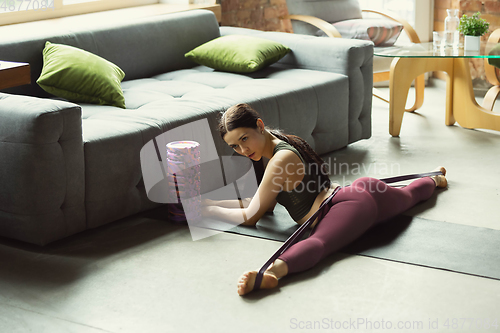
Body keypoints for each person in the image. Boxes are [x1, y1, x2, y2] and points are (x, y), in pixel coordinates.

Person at [201, 103, 447, 296]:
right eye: (234, 146)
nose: (243, 150)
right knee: (408, 196)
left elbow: (250, 217)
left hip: (346, 206)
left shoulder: (278, 160)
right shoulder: (274, 145)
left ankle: (271, 273)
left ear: (259, 125)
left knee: (320, 243)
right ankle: (435, 179)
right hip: (358, 191)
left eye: (244, 139)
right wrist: (211, 204)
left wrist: (210, 212)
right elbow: (260, 204)